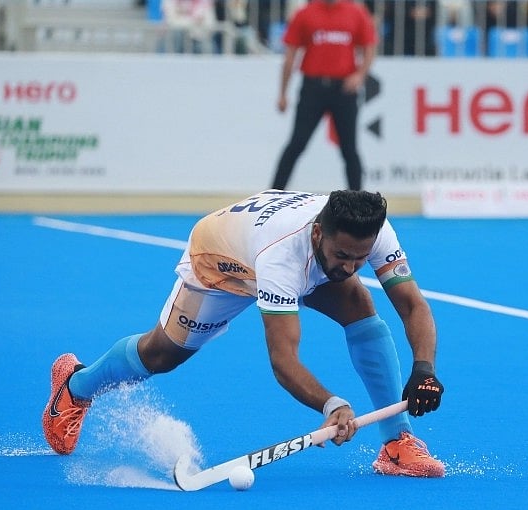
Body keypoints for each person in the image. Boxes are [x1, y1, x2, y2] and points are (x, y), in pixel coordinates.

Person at [42, 190, 446, 478]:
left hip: (270, 239)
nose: (352, 266)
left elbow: (412, 305)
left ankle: (397, 443)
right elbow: (283, 361)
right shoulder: (281, 259)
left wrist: (424, 369)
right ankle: (76, 386)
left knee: (360, 307)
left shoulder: (367, 233)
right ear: (321, 234)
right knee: (163, 354)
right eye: (343, 256)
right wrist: (331, 405)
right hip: (222, 264)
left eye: (361, 257)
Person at [270, 0, 377, 192]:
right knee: (296, 144)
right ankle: (273, 195)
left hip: (343, 89)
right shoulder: (305, 14)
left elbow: (369, 46)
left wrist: (360, 75)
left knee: (349, 149)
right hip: (313, 87)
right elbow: (290, 55)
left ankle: (358, 201)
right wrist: (283, 93)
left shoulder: (355, 12)